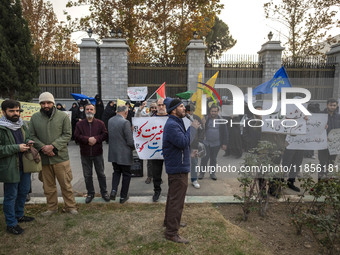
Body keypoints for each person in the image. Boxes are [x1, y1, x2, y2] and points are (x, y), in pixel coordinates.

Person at [30, 92, 78, 216]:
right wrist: (43, 148)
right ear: (40, 104)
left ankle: (70, 207)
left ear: (53, 103)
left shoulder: (63, 116)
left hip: (61, 158)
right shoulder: (34, 118)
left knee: (66, 185)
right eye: (43, 103)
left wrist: (53, 147)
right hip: (44, 159)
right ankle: (52, 208)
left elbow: (67, 134)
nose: (46, 105)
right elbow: (31, 136)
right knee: (48, 187)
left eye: (48, 102)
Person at [163, 97, 200, 244]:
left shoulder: (175, 122)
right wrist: (193, 128)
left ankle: (170, 222)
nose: (184, 108)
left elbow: (180, 145)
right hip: (178, 169)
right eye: (181, 107)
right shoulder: (172, 125)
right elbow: (183, 141)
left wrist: (188, 153)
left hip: (178, 165)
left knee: (173, 198)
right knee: (176, 201)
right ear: (174, 110)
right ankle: (172, 232)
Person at [0, 100, 35, 235]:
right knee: (11, 196)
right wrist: (17, 148)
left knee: (23, 192)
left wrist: (28, 141)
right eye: (12, 111)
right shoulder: (1, 127)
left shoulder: (22, 125)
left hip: (24, 166)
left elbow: (27, 137)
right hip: (10, 167)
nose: (16, 113)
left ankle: (19, 215)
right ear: (4, 112)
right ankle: (11, 223)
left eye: (17, 111)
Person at [74, 104, 110, 203]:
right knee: (87, 175)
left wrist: (96, 139)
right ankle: (90, 193)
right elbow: (76, 136)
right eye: (87, 109)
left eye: (91, 109)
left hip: (97, 153)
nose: (89, 111)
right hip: (85, 153)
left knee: (101, 174)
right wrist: (87, 139)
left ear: (94, 111)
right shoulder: (79, 124)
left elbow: (105, 134)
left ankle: (104, 192)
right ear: (84, 111)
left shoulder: (100, 123)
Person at [108, 105, 135, 204]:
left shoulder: (110, 120)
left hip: (113, 153)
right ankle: (123, 196)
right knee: (126, 174)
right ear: (126, 112)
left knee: (116, 172)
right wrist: (135, 148)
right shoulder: (125, 122)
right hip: (124, 154)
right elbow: (130, 141)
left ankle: (114, 190)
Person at [199, 105, 228, 180]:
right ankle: (201, 173)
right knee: (204, 158)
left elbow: (225, 132)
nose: (213, 113)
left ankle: (212, 174)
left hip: (216, 143)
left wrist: (224, 143)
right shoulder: (205, 119)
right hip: (206, 143)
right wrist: (202, 124)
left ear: (218, 112)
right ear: (210, 112)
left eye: (215, 111)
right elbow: (200, 130)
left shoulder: (222, 120)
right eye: (212, 111)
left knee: (213, 159)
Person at [134, 101, 158, 184]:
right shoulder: (147, 116)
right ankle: (149, 176)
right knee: (150, 161)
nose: (154, 109)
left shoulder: (160, 116)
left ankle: (157, 177)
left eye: (155, 108)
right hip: (149, 141)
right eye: (152, 108)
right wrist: (140, 109)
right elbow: (137, 117)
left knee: (158, 161)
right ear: (150, 108)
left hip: (158, 141)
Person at [150, 98, 168, 202]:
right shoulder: (151, 118)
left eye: (163, 105)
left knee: (171, 172)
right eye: (159, 105)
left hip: (169, 150)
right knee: (156, 173)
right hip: (155, 150)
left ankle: (172, 192)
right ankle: (157, 191)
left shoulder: (171, 118)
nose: (161, 107)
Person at [318, 98, 340, 181]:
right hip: (323, 143)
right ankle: (320, 183)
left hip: (334, 144)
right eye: (331, 105)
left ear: (337, 106)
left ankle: (327, 183)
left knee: (331, 162)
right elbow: (315, 128)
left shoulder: (338, 116)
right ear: (327, 105)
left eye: (334, 105)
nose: (332, 107)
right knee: (322, 162)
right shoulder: (321, 115)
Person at [185, 104, 204, 189]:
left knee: (194, 162)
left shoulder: (197, 118)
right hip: (184, 144)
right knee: (184, 162)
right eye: (188, 111)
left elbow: (201, 132)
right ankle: (184, 180)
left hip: (194, 144)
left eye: (191, 111)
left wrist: (198, 143)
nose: (189, 113)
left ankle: (194, 179)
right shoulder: (182, 118)